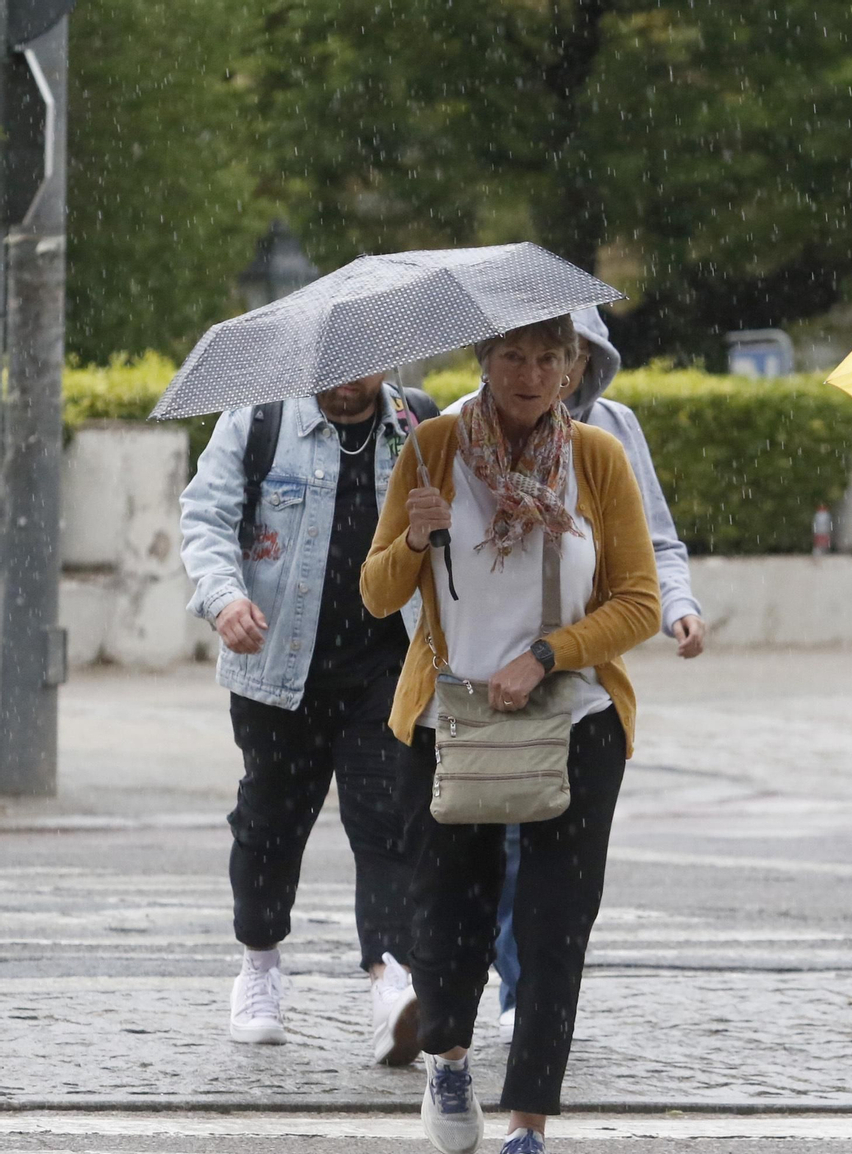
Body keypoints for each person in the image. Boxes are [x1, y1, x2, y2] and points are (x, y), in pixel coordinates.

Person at [362, 314, 659, 1154]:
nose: (530, 375)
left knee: (555, 925)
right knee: (446, 913)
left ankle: (529, 1121)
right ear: (484, 363)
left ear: (572, 369)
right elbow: (377, 594)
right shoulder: (431, 450)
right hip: (448, 722)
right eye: (512, 357)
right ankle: (449, 1059)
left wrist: (547, 655)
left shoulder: (596, 458)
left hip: (575, 721)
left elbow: (638, 601)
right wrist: (414, 537)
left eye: (548, 359)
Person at [444, 308, 707, 1042]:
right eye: (519, 356)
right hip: (482, 679)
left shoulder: (609, 436)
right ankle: (465, 1006)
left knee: (551, 850)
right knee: (488, 846)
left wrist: (677, 608)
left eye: (564, 355)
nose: (544, 373)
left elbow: (653, 544)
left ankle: (525, 995)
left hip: (575, 677)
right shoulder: (457, 431)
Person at [179, 373, 432, 1066]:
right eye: (334, 367)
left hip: (385, 668)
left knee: (389, 823)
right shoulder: (258, 420)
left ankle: (391, 981)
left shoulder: (417, 424)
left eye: (363, 365)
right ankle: (259, 968)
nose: (348, 381)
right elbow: (206, 516)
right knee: (270, 826)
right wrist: (224, 599)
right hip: (275, 667)